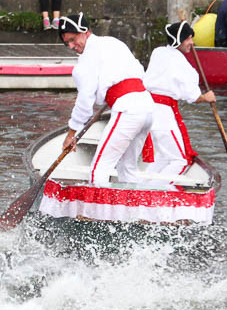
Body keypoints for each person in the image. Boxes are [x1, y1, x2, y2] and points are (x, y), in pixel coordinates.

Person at [60, 15, 156, 186]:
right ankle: (134, 210)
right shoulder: (113, 42)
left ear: (85, 32)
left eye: (73, 40)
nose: (71, 46)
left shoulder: (86, 60)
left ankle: (95, 212)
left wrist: (71, 135)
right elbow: (139, 75)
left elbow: (84, 102)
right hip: (147, 107)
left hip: (128, 110)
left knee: (98, 169)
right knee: (127, 168)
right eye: (67, 43)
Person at [143, 21, 215, 177]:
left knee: (163, 157)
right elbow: (193, 96)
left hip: (147, 109)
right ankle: (156, 192)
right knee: (180, 160)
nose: (192, 43)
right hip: (162, 113)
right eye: (188, 39)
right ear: (178, 40)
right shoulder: (180, 62)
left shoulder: (158, 52)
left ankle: (144, 186)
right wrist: (206, 97)